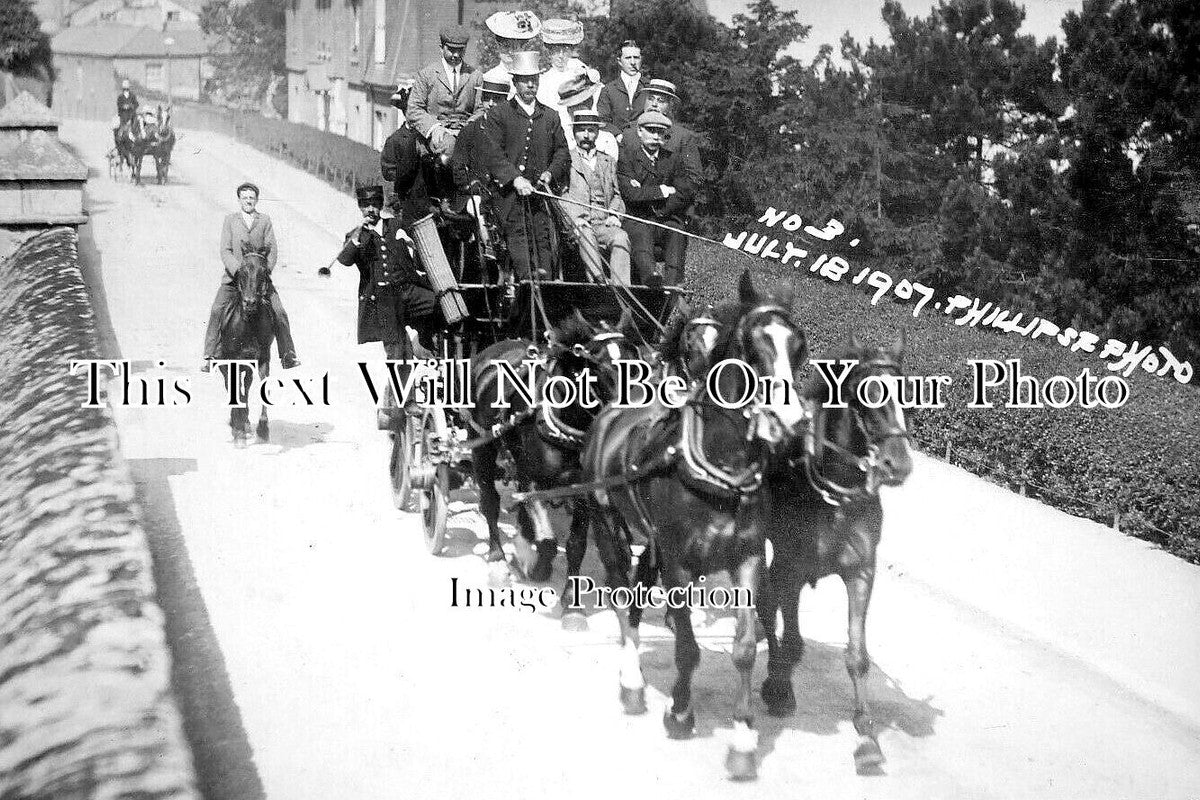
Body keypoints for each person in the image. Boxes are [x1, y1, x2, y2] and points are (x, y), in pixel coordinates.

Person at [483, 51, 571, 281]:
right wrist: (515, 178)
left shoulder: (550, 116)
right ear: (515, 82)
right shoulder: (499, 114)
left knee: (544, 244)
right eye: (525, 80)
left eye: (535, 80)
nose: (531, 85)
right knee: (521, 243)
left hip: (540, 197)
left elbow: (562, 151)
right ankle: (526, 290)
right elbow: (493, 153)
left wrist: (551, 172)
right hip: (508, 198)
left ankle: (547, 293)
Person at [328, 185, 442, 359]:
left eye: (374, 204)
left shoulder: (396, 224)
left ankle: (421, 341)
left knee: (438, 304)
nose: (371, 209)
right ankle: (401, 376)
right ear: (360, 208)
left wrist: (411, 243)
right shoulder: (356, 235)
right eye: (366, 205)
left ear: (380, 206)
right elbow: (345, 260)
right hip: (383, 300)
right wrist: (358, 237)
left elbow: (419, 242)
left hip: (408, 290)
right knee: (397, 353)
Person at [202, 183, 300, 371]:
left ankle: (288, 354)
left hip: (259, 281)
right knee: (217, 309)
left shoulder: (264, 221)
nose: (248, 201)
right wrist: (238, 270)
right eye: (245, 197)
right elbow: (225, 250)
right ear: (239, 200)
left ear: (256, 200)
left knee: (279, 312)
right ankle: (211, 353)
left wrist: (264, 272)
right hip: (234, 279)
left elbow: (272, 250)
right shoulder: (230, 220)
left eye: (251, 198)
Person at [616, 111, 694, 286]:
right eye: (650, 130)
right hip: (637, 219)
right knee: (641, 232)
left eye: (660, 133)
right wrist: (662, 190)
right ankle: (650, 278)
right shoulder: (627, 158)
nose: (655, 137)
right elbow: (629, 193)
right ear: (639, 131)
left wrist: (658, 206)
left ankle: (673, 286)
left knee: (676, 231)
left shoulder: (672, 159)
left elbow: (684, 193)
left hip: (663, 217)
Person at [562, 110, 631, 284]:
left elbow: (617, 195)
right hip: (579, 223)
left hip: (603, 223)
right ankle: (598, 283)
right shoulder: (565, 160)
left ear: (597, 133)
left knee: (621, 237)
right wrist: (574, 219)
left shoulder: (607, 161)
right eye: (581, 130)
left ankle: (622, 289)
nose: (586, 135)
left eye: (591, 130)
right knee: (586, 235)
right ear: (573, 132)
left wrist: (615, 215)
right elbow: (561, 196)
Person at [406, 25, 482, 163]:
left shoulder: (475, 76)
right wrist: (434, 128)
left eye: (460, 50)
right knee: (451, 148)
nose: (456, 55)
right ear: (441, 48)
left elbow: (481, 109)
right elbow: (413, 109)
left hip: (467, 132)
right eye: (451, 50)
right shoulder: (427, 75)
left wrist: (467, 129)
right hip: (438, 133)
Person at [624, 78, 703, 184]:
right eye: (650, 99)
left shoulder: (683, 137)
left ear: (670, 106)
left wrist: (669, 196)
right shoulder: (629, 132)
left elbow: (694, 178)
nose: (654, 104)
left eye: (661, 101)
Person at [536, 19, 596, 146]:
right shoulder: (543, 81)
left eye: (565, 50)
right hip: (553, 138)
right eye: (556, 50)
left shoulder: (579, 75)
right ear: (548, 52)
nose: (561, 56)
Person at [481, 10, 542, 94]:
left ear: (523, 47)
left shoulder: (533, 80)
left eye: (515, 47)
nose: (510, 51)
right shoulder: (490, 77)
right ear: (498, 45)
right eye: (506, 46)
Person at [596, 41, 646, 140]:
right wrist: (618, 135)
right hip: (617, 143)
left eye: (636, 58)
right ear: (619, 61)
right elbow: (602, 120)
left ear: (641, 60)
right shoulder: (608, 90)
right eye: (628, 58)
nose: (632, 62)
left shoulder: (649, 88)